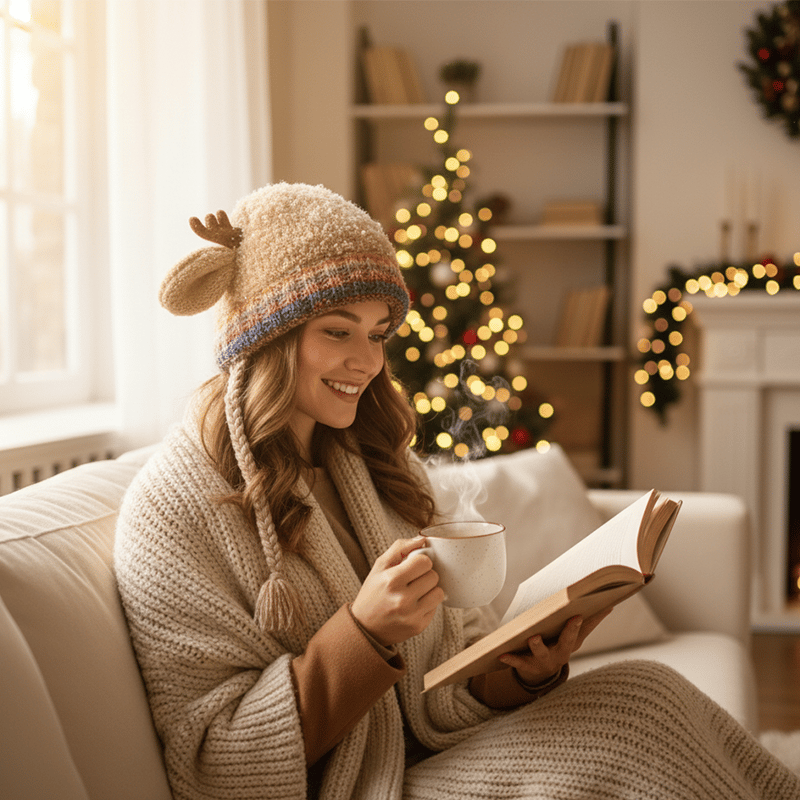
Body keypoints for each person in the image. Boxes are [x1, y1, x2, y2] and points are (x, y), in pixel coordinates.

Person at [115, 183, 800, 800]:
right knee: (623, 742)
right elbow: (214, 764)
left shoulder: (374, 466)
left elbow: (443, 683)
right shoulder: (174, 510)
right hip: (364, 786)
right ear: (262, 336)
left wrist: (522, 672)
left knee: (645, 692)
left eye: (379, 333)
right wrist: (364, 634)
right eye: (337, 332)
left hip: (434, 755)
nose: (368, 362)